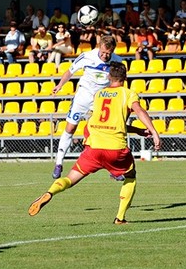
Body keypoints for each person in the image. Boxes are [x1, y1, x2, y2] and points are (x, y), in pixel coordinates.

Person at [29, 61, 161, 223]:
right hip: (115, 148)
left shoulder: (99, 95)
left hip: (93, 147)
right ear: (125, 77)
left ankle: (50, 192)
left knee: (70, 179)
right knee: (131, 176)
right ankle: (120, 217)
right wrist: (153, 131)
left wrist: (137, 131)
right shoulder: (128, 93)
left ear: (108, 77)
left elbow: (108, 121)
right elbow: (139, 111)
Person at [50, 35, 123, 179]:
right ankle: (59, 163)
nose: (104, 55)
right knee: (70, 128)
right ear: (99, 46)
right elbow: (70, 71)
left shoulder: (117, 61)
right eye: (102, 52)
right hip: (83, 98)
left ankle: (112, 169)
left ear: (113, 50)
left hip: (101, 101)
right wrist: (60, 85)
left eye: (108, 53)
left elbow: (119, 82)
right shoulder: (87, 56)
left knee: (105, 132)